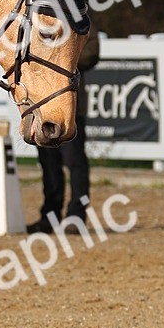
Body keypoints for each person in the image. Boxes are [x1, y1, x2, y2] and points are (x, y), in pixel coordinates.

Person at [27, 26, 100, 233]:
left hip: (71, 105)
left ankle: (77, 215)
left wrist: (60, 58)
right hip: (42, 104)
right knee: (48, 162)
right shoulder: (37, 14)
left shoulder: (79, 10)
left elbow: (91, 53)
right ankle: (49, 216)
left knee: (74, 162)